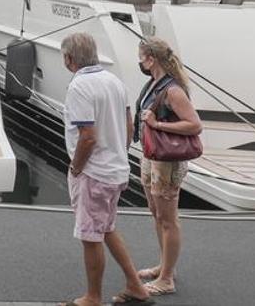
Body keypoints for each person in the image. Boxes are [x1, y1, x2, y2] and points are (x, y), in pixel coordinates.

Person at [60, 32, 153, 306]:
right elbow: (127, 125)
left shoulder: (79, 87)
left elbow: (87, 136)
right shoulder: (114, 80)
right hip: (116, 169)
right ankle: (136, 286)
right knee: (107, 228)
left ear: (69, 59)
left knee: (90, 235)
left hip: (93, 173)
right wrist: (118, 153)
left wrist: (76, 168)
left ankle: (93, 297)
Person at [132, 37, 203, 298]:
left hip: (167, 159)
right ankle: (164, 266)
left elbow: (194, 125)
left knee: (168, 219)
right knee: (156, 213)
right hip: (152, 155)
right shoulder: (153, 84)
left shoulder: (172, 90)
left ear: (151, 59)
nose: (139, 61)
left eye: (141, 56)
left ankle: (167, 278)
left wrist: (158, 125)